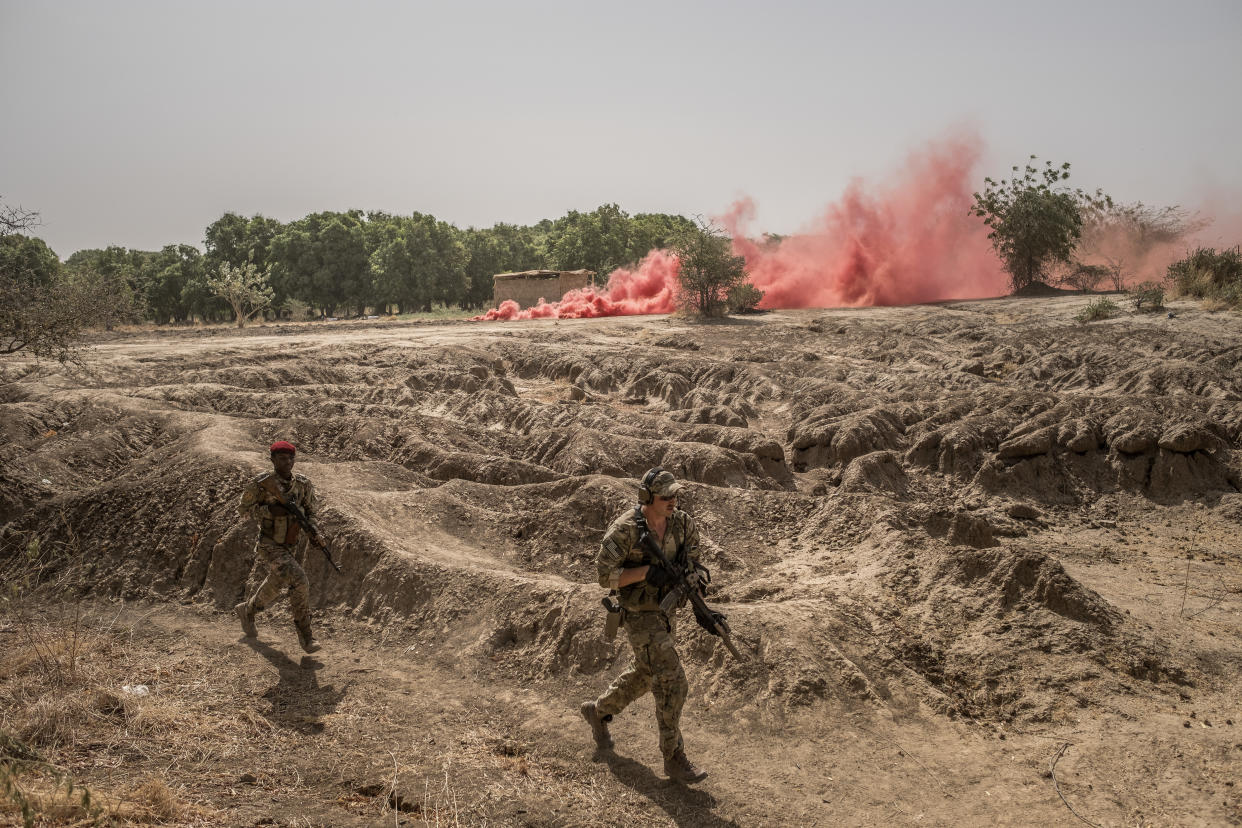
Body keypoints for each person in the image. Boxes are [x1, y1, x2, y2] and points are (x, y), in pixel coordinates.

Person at [580, 467, 710, 784]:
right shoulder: (625, 531)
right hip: (638, 614)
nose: (673, 501)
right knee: (673, 681)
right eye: (666, 497)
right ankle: (673, 757)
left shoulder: (682, 524)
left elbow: (694, 558)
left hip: (667, 613)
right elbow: (603, 577)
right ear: (647, 498)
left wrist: (698, 595)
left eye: (675, 495)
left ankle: (598, 711)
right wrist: (644, 573)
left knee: (646, 674)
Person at [234, 440, 323, 653]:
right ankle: (306, 636)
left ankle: (247, 611)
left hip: (290, 545)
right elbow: (243, 510)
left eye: (291, 458)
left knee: (275, 584)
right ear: (272, 459)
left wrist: (313, 530)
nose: (288, 462)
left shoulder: (303, 484)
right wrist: (269, 511)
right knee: (299, 580)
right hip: (269, 544)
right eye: (282, 458)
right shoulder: (261, 484)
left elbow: (312, 511)